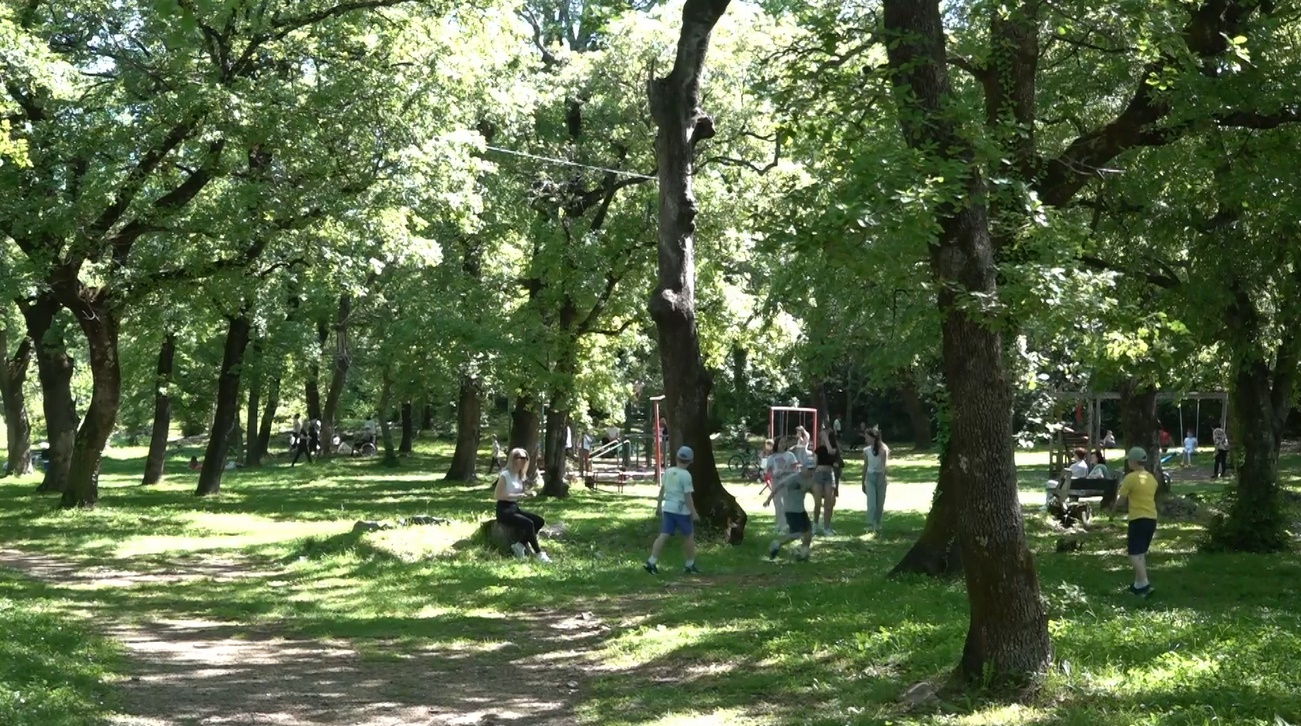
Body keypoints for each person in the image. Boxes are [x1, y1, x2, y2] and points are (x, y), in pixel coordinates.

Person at [644, 447, 700, 574]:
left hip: (668, 508)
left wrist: (658, 506)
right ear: (690, 461)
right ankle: (690, 564)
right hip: (682, 511)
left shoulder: (668, 472)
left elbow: (662, 490)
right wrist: (694, 512)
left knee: (663, 535)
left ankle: (651, 561)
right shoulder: (686, 475)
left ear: (677, 458)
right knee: (689, 536)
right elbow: (687, 496)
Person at [1114, 446, 1158, 597]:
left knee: (1133, 554)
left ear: (1133, 462)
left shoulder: (1130, 478)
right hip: (1152, 518)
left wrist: (1114, 507)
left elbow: (1121, 500)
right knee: (1141, 554)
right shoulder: (1151, 478)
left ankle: (1144, 584)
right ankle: (1138, 585)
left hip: (1138, 518)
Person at [495, 448, 551, 562]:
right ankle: (539, 553)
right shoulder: (505, 475)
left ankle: (520, 545)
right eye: (520, 458)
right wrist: (519, 495)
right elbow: (497, 495)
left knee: (539, 521)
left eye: (526, 458)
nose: (524, 460)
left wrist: (527, 494)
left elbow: (518, 493)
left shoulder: (519, 475)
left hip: (514, 508)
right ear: (513, 459)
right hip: (504, 510)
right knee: (528, 523)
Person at [764, 462, 815, 561]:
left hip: (801, 510)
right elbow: (779, 486)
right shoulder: (794, 478)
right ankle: (777, 544)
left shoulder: (810, 480)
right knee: (796, 534)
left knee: (808, 533)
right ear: (803, 468)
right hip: (791, 510)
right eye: (809, 469)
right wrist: (768, 499)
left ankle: (803, 552)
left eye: (813, 469)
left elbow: (811, 490)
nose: (811, 471)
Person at [764, 437, 798, 533]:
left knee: (787, 503)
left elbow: (796, 469)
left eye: (784, 442)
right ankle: (779, 524)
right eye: (781, 442)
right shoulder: (772, 457)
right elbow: (769, 471)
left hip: (788, 481)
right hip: (776, 482)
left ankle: (787, 525)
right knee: (778, 503)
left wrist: (785, 471)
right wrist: (773, 475)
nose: (783, 444)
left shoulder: (790, 456)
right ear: (777, 444)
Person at [812, 429, 841, 536]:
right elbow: (815, 464)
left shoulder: (834, 449)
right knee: (818, 503)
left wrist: (826, 438)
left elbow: (831, 452)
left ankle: (826, 527)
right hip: (819, 475)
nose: (823, 438)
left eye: (825, 436)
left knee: (828, 503)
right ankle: (815, 525)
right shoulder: (818, 449)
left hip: (829, 476)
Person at [862, 426, 889, 533]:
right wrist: (863, 481)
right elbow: (865, 466)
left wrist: (882, 478)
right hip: (870, 477)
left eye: (867, 437)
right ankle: (870, 524)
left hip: (880, 477)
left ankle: (877, 523)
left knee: (880, 503)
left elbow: (884, 466)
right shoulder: (866, 451)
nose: (866, 439)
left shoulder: (883, 449)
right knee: (871, 503)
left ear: (873, 438)